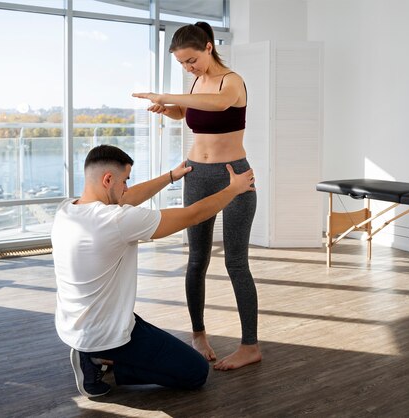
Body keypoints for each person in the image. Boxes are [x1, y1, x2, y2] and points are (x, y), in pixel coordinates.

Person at [52, 144, 255, 397]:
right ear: (108, 179)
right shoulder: (115, 221)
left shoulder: (67, 209)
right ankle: (99, 359)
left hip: (74, 325)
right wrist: (233, 189)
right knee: (196, 371)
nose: (127, 188)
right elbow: (192, 215)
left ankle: (93, 353)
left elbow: (126, 198)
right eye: (125, 180)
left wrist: (171, 176)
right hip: (106, 334)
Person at [132, 21, 262, 371]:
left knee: (236, 261)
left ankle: (250, 345)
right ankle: (198, 334)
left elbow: (219, 105)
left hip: (233, 174)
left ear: (208, 47)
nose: (188, 68)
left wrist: (167, 96)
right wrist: (169, 110)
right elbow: (188, 111)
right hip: (196, 173)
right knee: (196, 259)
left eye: (191, 60)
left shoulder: (230, 81)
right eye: (182, 65)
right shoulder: (195, 83)